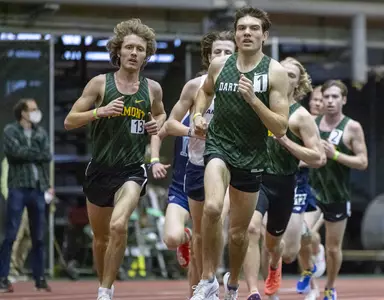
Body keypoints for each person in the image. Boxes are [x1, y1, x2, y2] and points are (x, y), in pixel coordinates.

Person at [190, 6, 290, 300]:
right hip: (218, 145)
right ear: (235, 34)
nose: (247, 32)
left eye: (254, 28)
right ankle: (208, 278)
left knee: (237, 234)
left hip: (252, 155)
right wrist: (197, 116)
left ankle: (232, 283)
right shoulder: (220, 65)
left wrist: (254, 101)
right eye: (242, 28)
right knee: (211, 208)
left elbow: (281, 126)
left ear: (264, 35)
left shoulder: (275, 72)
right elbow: (205, 92)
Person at [63, 18, 166, 300]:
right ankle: (104, 283)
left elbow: (159, 114)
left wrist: (156, 128)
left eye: (140, 49)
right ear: (118, 51)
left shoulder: (152, 89)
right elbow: (70, 121)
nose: (134, 53)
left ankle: (105, 292)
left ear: (147, 55)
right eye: (129, 47)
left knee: (118, 225)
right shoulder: (100, 84)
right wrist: (100, 112)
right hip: (99, 171)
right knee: (100, 239)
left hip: (132, 171)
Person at [151, 30, 236, 296]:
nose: (222, 57)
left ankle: (215, 282)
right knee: (189, 235)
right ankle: (201, 284)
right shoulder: (195, 86)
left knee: (217, 222)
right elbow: (166, 125)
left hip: (231, 168)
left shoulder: (245, 86)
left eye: (228, 53)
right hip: (194, 168)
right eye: (217, 52)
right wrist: (156, 157)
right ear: (208, 58)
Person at [242, 57, 325, 300]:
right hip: (257, 179)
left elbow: (318, 158)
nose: (285, 78)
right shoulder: (260, 106)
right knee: (251, 227)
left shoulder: (300, 117)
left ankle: (275, 265)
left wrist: (286, 141)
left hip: (286, 182)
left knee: (283, 250)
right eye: (281, 72)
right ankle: (253, 291)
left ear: (298, 84)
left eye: (291, 75)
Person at [309, 80, 368, 300]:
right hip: (313, 191)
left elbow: (362, 162)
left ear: (343, 100)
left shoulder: (352, 127)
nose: (330, 101)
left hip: (337, 194)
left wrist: (335, 155)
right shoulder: (312, 123)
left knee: (334, 248)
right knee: (304, 234)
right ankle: (315, 263)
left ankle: (330, 287)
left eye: (335, 97)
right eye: (327, 97)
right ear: (321, 100)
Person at [0, 98, 53, 293]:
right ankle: (3, 278)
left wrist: (31, 153)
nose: (36, 112)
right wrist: (35, 153)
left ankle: (40, 279)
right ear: (22, 112)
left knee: (38, 236)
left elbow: (47, 155)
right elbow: (15, 153)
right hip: (18, 188)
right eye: (32, 109)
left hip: (38, 188)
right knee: (11, 234)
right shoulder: (10, 131)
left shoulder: (40, 132)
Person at [295, 85, 327, 300]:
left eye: (321, 100)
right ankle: (312, 284)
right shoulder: (302, 122)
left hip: (326, 190)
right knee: (300, 235)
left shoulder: (334, 128)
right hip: (303, 187)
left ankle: (318, 250)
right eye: (314, 99)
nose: (316, 103)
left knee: (307, 234)